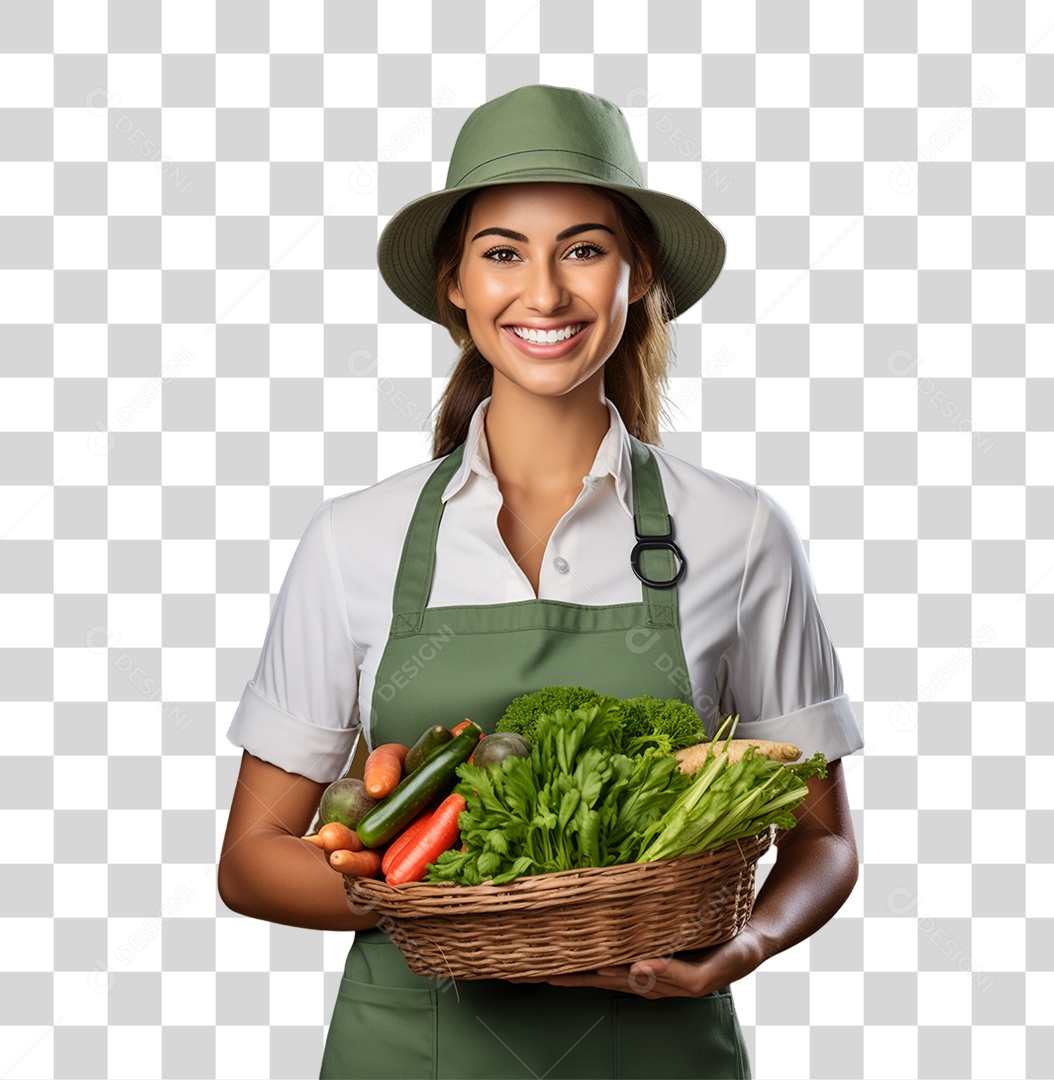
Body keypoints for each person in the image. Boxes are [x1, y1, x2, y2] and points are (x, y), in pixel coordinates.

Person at [218, 84, 863, 1079]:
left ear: (636, 274)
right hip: (411, 1053)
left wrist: (743, 948)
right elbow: (253, 857)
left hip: (662, 1054)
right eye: (504, 252)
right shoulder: (356, 539)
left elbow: (821, 841)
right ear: (456, 287)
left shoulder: (738, 533)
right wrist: (418, 881)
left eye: (586, 249)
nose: (547, 294)